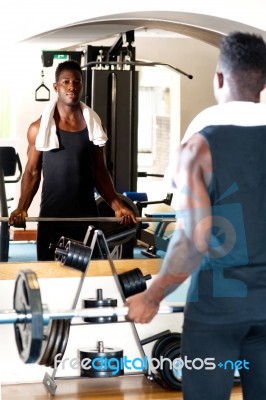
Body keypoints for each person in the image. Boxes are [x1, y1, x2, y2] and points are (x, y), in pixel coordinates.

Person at [125, 31, 266, 400]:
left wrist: (151, 297)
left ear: (218, 78)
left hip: (216, 312)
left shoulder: (198, 147)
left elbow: (193, 239)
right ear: (263, 81)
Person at [9, 60, 136, 260]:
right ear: (56, 87)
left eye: (76, 82)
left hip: (86, 217)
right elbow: (32, 172)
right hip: (52, 217)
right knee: (50, 276)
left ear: (82, 86)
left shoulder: (94, 127)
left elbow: (100, 172)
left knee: (88, 280)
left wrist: (117, 205)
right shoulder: (38, 129)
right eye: (66, 82)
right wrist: (22, 207)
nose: (72, 87)